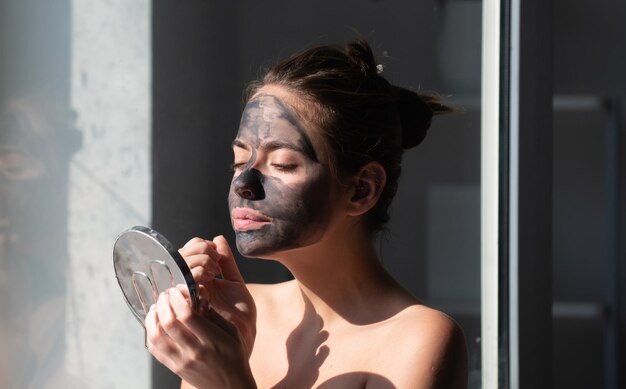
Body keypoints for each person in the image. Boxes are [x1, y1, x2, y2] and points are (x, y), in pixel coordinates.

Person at [145, 39, 468, 388]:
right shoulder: (239, 315)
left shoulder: (417, 340)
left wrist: (226, 378)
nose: (244, 184)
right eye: (239, 161)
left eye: (283, 164)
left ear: (361, 190)